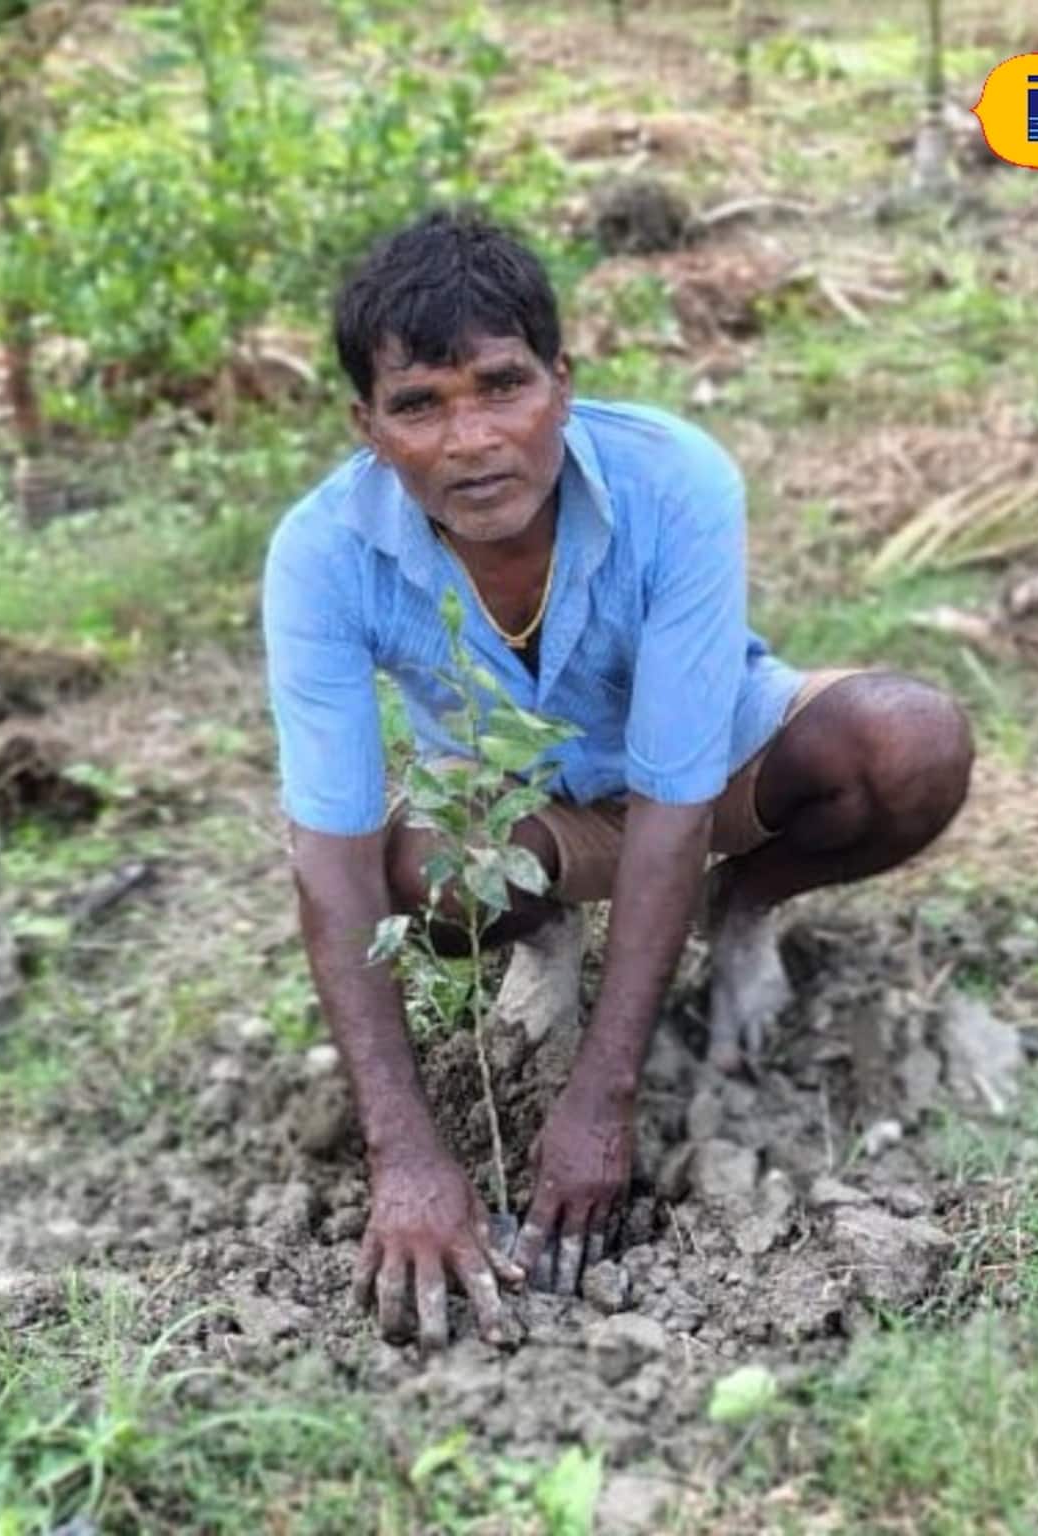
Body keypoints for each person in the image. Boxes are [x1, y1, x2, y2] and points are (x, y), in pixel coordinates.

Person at [260, 208, 973, 1351]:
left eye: (502, 385)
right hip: (522, 811)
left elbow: (675, 791)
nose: (470, 439)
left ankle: (739, 911)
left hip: (702, 768)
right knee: (422, 875)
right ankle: (538, 934)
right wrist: (403, 1152)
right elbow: (331, 860)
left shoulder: (674, 480)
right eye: (418, 406)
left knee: (908, 742)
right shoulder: (321, 553)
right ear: (367, 426)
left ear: (562, 381)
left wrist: (602, 1098)